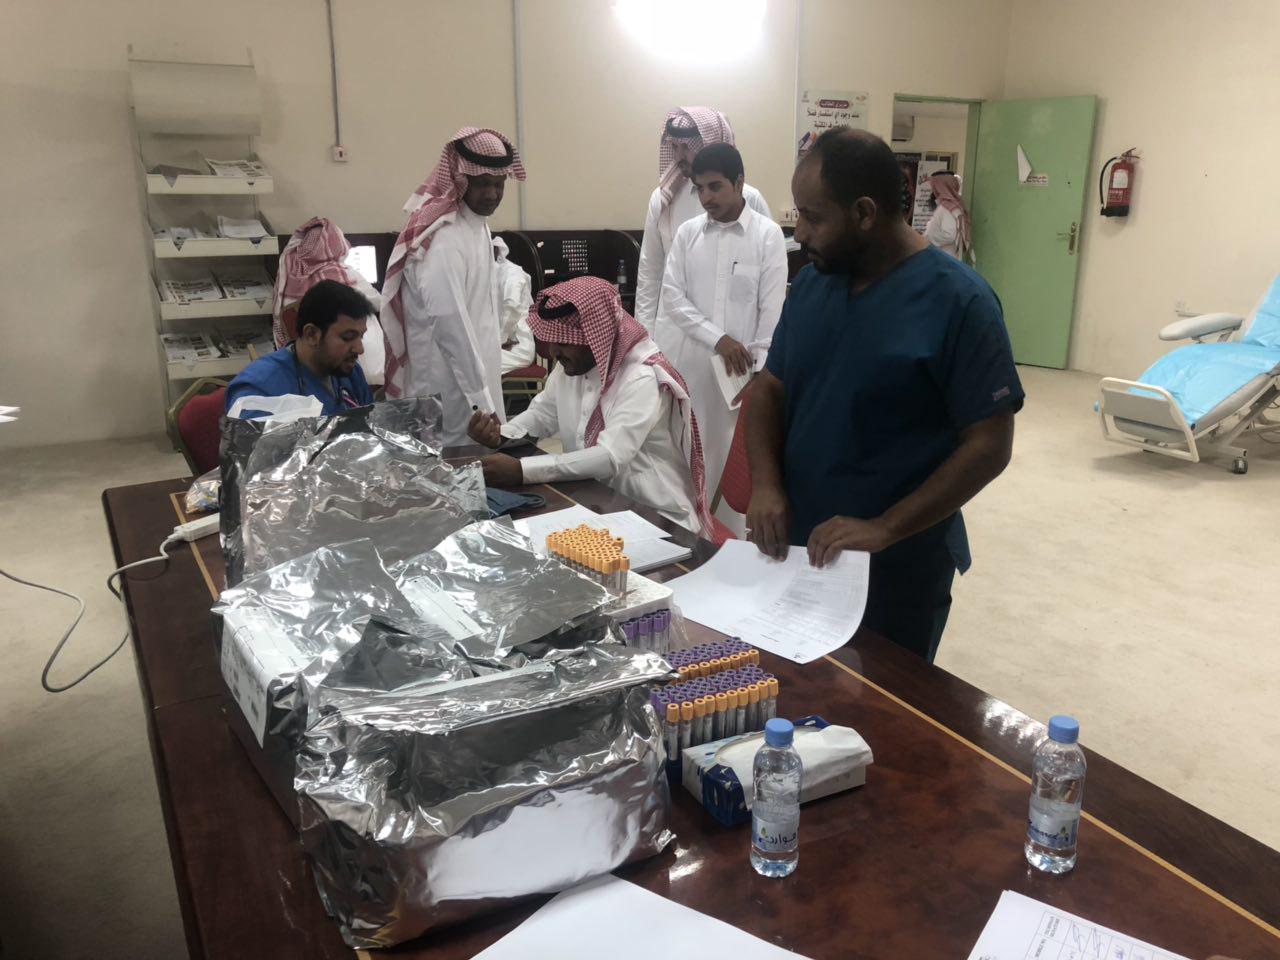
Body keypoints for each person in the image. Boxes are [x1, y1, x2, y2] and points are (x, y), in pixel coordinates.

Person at [745, 128, 1023, 662]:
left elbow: (990, 444)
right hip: (798, 547)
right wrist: (765, 484)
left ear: (865, 213)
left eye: (814, 217)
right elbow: (769, 388)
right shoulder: (814, 284)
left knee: (877, 700)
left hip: (896, 563)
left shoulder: (959, 302)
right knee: (789, 689)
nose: (800, 232)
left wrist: (885, 528)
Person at [467, 276, 713, 535]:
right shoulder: (571, 367)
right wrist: (501, 435)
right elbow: (542, 413)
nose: (554, 352)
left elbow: (609, 457)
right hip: (596, 501)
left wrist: (522, 470)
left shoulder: (641, 377)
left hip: (655, 516)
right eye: (552, 341)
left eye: (564, 342)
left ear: (597, 337)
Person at [657, 142, 788, 508]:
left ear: (739, 182)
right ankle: (691, 531)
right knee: (688, 455)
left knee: (735, 465)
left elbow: (772, 310)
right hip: (692, 369)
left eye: (715, 186)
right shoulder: (688, 234)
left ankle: (730, 539)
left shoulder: (767, 235)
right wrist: (719, 340)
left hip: (742, 376)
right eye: (700, 188)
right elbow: (673, 298)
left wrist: (760, 373)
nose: (706, 197)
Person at [380, 127, 526, 445]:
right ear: (461, 179)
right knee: (448, 464)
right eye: (483, 183)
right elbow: (450, 325)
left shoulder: (478, 227)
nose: (493, 194)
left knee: (481, 464)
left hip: (477, 382)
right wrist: (482, 401)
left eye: (499, 184)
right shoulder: (443, 238)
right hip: (444, 387)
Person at [634, 107, 773, 335]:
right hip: (674, 334)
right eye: (675, 147)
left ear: (710, 143)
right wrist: (644, 338)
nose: (679, 156)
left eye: (686, 147)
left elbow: (767, 279)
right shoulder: (662, 200)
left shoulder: (750, 199)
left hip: (735, 337)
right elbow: (650, 273)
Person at [225, 279, 375, 418]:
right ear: (312, 335)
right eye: (348, 337)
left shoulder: (350, 373)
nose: (359, 349)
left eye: (361, 336)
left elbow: (369, 425)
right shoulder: (259, 388)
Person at [269, 216, 386, 385]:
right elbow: (376, 302)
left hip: (301, 358)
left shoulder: (289, 274)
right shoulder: (344, 272)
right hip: (358, 368)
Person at [493, 236, 536, 374]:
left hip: (518, 348)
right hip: (501, 345)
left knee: (477, 366)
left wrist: (500, 340)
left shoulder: (513, 273)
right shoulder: (493, 272)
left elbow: (512, 308)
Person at [923, 171, 974, 263]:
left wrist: (927, 238)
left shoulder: (947, 208)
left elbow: (950, 235)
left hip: (944, 260)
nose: (933, 191)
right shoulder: (949, 206)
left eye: (934, 187)